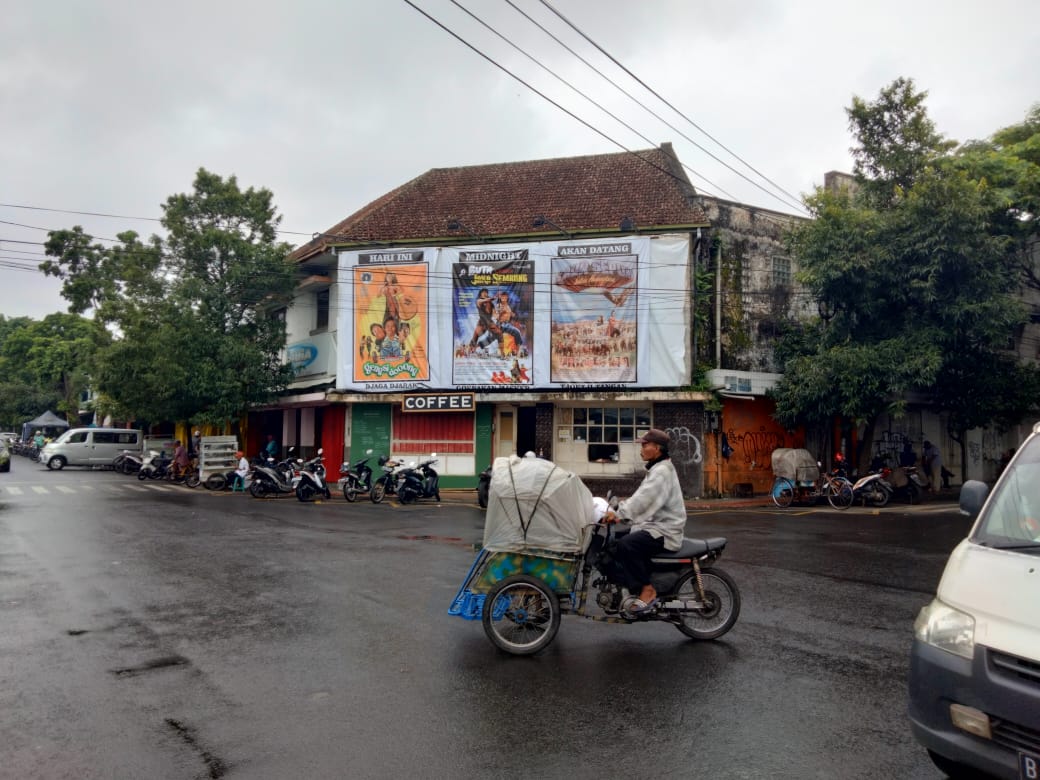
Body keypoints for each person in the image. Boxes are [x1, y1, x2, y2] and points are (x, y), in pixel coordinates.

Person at [601, 428, 686, 614]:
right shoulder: (658, 468)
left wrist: (619, 513)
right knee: (615, 542)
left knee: (626, 545)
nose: (641, 448)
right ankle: (627, 588)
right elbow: (640, 497)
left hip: (665, 530)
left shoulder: (662, 471)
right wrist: (619, 507)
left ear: (657, 448)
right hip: (655, 526)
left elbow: (644, 500)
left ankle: (647, 589)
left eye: (645, 445)